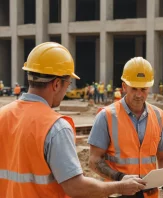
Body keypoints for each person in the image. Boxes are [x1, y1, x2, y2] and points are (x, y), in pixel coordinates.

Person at [0, 42, 146, 198]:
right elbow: (76, 188)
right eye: (67, 84)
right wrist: (120, 186)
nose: (66, 90)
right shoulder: (55, 127)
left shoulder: (3, 115)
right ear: (56, 84)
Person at [88, 57, 163, 198]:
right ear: (124, 87)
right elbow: (94, 160)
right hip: (118, 194)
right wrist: (120, 179)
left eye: (143, 89)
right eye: (134, 88)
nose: (139, 94)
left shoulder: (158, 116)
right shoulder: (106, 116)